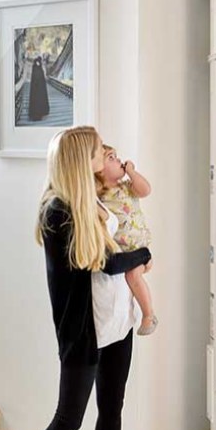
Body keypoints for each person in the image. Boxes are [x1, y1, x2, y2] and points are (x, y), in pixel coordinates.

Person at [29, 126, 152, 430]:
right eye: (99, 150)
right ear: (83, 159)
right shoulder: (58, 210)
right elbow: (105, 261)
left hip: (116, 319)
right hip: (86, 330)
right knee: (68, 419)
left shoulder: (91, 196)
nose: (105, 154)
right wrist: (143, 255)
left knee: (112, 409)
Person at [95, 144, 157, 336]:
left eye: (117, 156)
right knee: (130, 279)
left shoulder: (127, 187)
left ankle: (149, 315)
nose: (118, 160)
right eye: (111, 158)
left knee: (133, 276)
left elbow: (146, 190)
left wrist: (132, 172)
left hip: (138, 247)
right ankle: (144, 314)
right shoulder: (99, 195)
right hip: (122, 251)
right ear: (99, 170)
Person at [28, 55, 50, 121]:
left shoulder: (34, 68)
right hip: (40, 90)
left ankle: (35, 114)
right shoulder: (40, 69)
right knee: (40, 100)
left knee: (35, 100)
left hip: (35, 90)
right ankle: (41, 113)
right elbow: (44, 79)